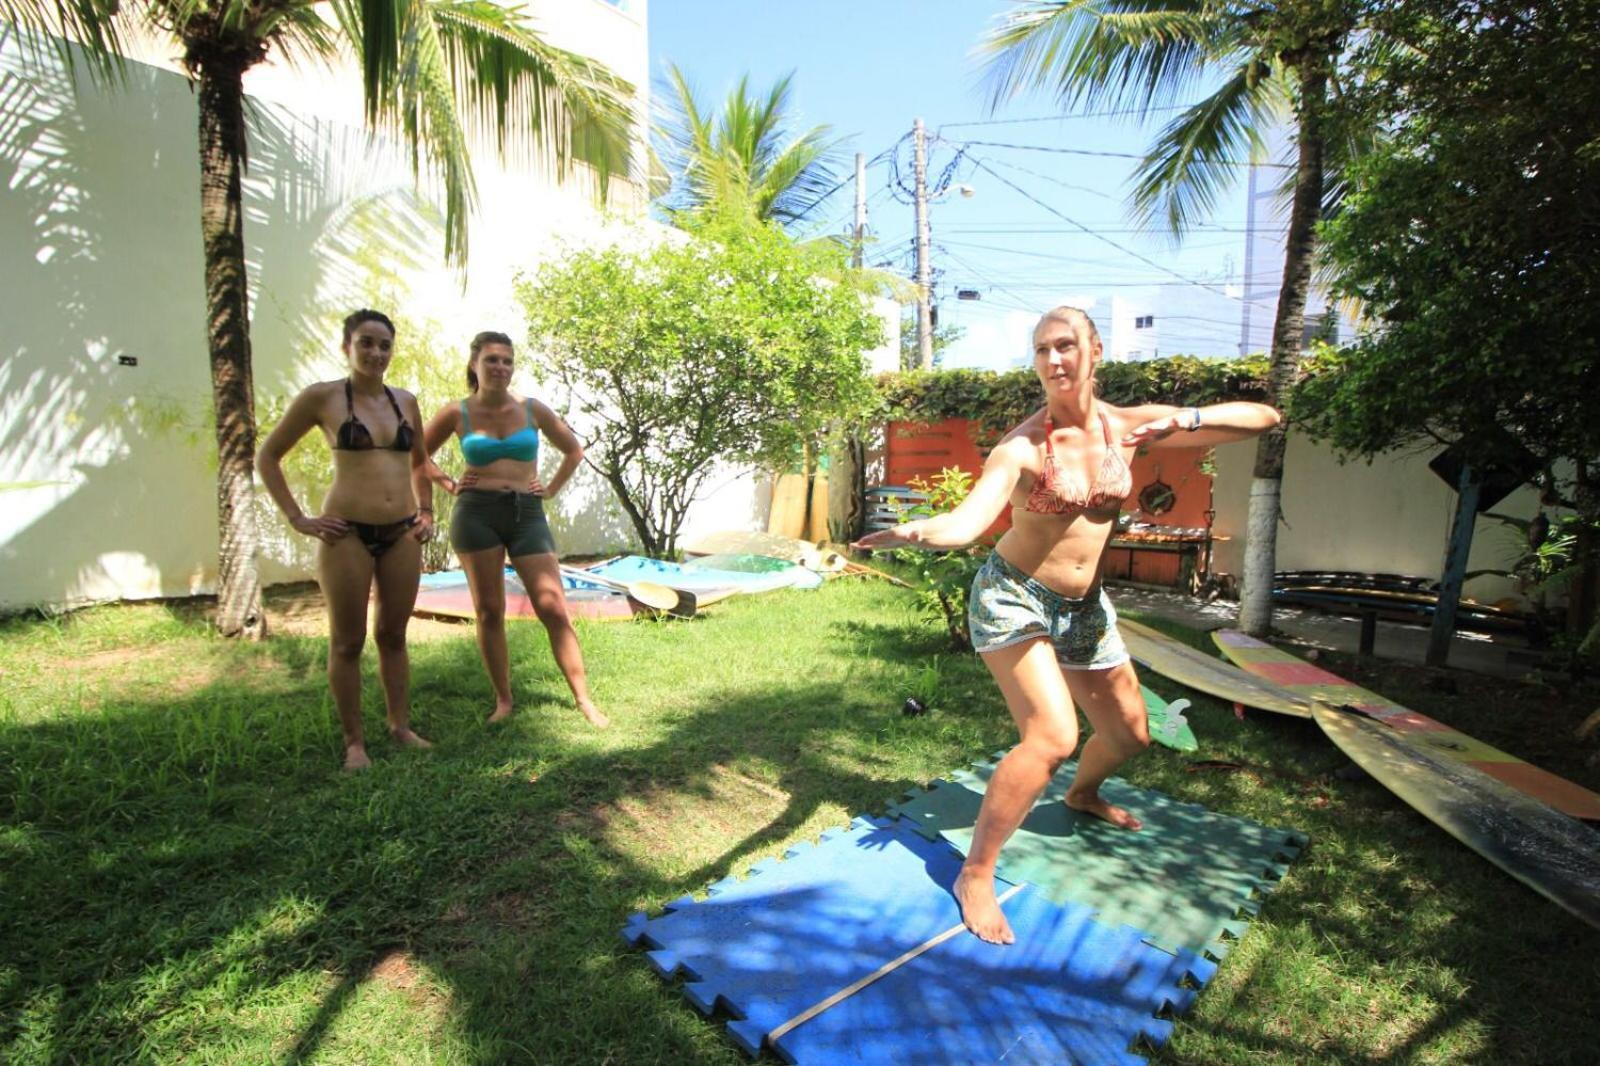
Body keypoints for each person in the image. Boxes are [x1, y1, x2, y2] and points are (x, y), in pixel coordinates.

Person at [855, 306, 1280, 945]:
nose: (1054, 361)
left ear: (1094, 351)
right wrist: (918, 531)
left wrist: (1183, 420)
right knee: (1052, 735)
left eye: (1065, 346)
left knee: (1130, 734)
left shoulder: (1130, 428)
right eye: (1041, 350)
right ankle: (976, 872)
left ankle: (1081, 794)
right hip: (1013, 597)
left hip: (1084, 605)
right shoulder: (1023, 448)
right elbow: (971, 523)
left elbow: (1262, 419)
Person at [258, 309, 435, 771]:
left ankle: (400, 726)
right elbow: (269, 455)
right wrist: (299, 517)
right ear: (346, 347)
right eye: (366, 343)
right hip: (346, 533)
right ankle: (354, 743)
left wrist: (428, 510)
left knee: (393, 635)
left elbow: (420, 462)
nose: (376, 353)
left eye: (384, 345)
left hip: (401, 532)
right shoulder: (321, 398)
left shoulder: (405, 401)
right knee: (347, 641)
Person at [419, 331, 608, 729]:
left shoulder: (532, 409)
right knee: (489, 611)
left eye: (507, 361)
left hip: (527, 513)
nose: (500, 368)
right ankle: (503, 700)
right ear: (474, 365)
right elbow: (415, 455)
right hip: (476, 515)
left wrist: (551, 488)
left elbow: (573, 450)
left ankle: (584, 700)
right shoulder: (456, 412)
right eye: (492, 360)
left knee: (553, 607)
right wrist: (448, 484)